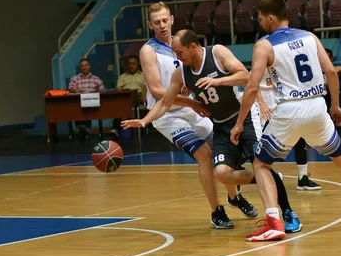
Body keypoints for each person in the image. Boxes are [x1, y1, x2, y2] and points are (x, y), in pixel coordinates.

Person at [231, 0, 341, 242]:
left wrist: (239, 123)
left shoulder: (264, 45)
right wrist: (335, 105)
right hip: (316, 107)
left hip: (289, 111)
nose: (259, 24)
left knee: (260, 165)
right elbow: (331, 71)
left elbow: (252, 87)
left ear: (270, 17)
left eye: (260, 19)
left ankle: (273, 222)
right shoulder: (310, 37)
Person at [122, 29, 302, 234]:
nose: (177, 57)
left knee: (260, 164)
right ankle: (262, 179)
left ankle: (288, 212)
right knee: (222, 173)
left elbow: (245, 75)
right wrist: (145, 120)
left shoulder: (217, 53)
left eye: (179, 52)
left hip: (244, 117)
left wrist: (217, 81)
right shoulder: (181, 72)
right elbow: (165, 101)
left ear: (193, 47)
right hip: (221, 125)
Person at [132, 2, 256, 229]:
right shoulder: (148, 51)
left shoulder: (183, 45)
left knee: (223, 152)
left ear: (171, 19)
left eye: (164, 20)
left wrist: (193, 93)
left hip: (192, 108)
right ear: (150, 25)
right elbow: (158, 91)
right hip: (166, 114)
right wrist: (190, 101)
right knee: (205, 155)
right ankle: (216, 211)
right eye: (156, 22)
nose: (161, 25)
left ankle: (234, 197)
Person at [258, 69, 321, 191]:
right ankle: (238, 178)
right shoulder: (259, 66)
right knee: (256, 146)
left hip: (281, 108)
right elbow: (252, 85)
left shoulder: (281, 64)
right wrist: (262, 105)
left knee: (300, 136)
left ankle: (303, 178)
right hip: (261, 109)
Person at [68, 58, 106, 139]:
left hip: (92, 104)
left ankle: (83, 130)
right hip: (78, 104)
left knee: (89, 107)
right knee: (77, 107)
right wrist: (76, 90)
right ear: (80, 67)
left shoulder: (96, 79)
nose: (84, 67)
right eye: (82, 66)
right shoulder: (75, 78)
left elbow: (103, 92)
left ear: (89, 66)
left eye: (86, 65)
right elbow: (70, 88)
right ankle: (83, 130)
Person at [112, 54, 146, 137]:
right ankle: (118, 128)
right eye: (129, 64)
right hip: (125, 97)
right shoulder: (122, 77)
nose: (131, 66)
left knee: (127, 102)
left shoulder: (143, 75)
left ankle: (117, 127)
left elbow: (146, 89)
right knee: (118, 103)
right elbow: (118, 88)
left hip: (139, 98)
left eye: (133, 63)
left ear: (137, 64)